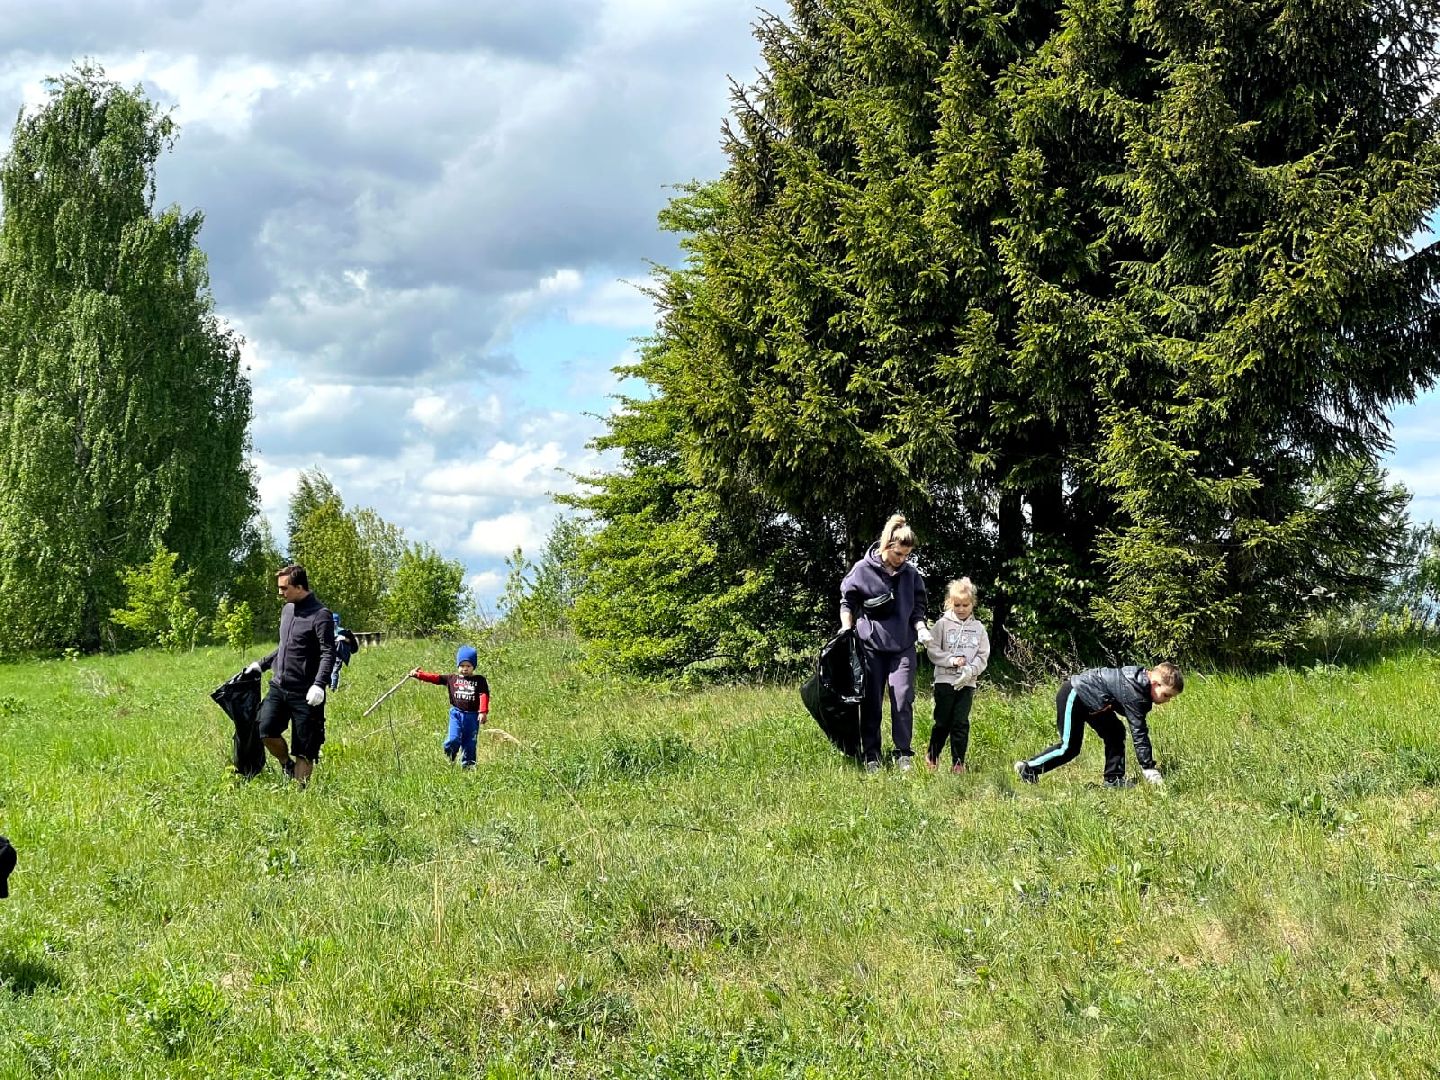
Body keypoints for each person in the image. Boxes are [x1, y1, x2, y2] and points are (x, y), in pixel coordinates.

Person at [839, 513, 931, 773]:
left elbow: (919, 606)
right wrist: (847, 629)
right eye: (899, 554)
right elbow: (848, 602)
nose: (903, 560)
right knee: (871, 702)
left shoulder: (910, 575)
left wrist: (921, 626)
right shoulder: (862, 569)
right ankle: (872, 755)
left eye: (907, 555)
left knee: (902, 698)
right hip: (871, 648)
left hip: (902, 647)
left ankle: (903, 753)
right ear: (887, 546)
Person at [1013, 662, 1184, 787]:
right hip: (1075, 694)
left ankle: (1113, 780)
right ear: (1155, 683)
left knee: (1115, 732)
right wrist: (1148, 768)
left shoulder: (1141, 685)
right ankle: (1028, 768)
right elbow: (1139, 731)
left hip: (1095, 703)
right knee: (1070, 748)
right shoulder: (1136, 692)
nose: (1167, 701)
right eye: (1166, 695)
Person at [243, 564, 335, 787]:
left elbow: (328, 652)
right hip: (279, 687)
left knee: (305, 748)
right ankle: (287, 766)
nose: (280, 593)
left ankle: (300, 791)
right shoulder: (287, 610)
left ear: (300, 586)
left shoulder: (320, 615)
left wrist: (319, 685)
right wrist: (262, 664)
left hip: (306, 693)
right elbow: (285, 646)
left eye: (284, 588)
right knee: (265, 729)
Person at [924, 577, 990, 774]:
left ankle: (958, 762)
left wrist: (972, 669)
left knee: (960, 722)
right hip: (945, 681)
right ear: (950, 603)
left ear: (973, 604)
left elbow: (983, 655)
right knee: (943, 721)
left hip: (967, 684)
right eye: (957, 605)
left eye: (965, 605)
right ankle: (933, 754)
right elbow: (932, 649)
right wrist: (950, 660)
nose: (961, 609)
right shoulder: (942, 625)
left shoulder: (978, 628)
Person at [410, 646, 491, 769]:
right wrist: (419, 675)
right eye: (462, 665)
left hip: (472, 717)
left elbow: (483, 694)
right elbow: (434, 678)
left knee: (469, 744)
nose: (465, 669)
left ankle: (468, 767)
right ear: (458, 666)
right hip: (456, 714)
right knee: (452, 740)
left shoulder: (479, 680)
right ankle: (450, 755)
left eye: (468, 666)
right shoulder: (452, 679)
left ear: (473, 666)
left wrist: (483, 712)